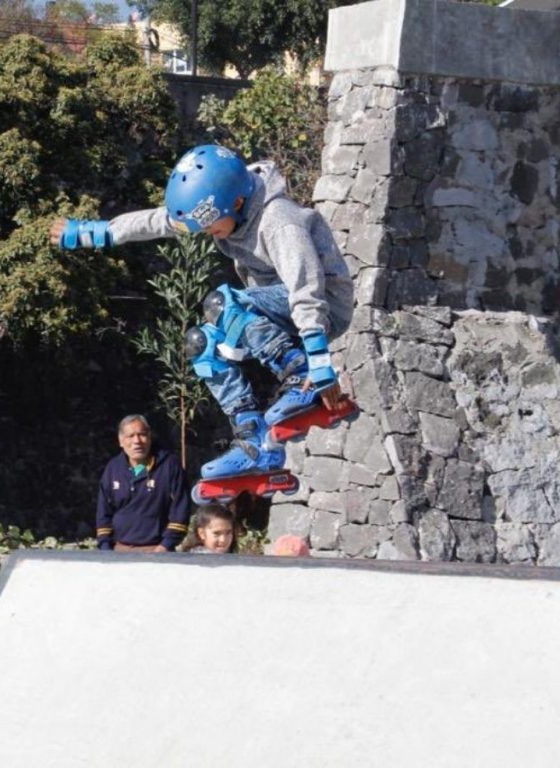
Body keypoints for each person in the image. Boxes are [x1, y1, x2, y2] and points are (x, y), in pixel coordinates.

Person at [51, 145, 354, 481]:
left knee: (222, 303)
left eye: (209, 226)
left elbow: (305, 289)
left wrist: (318, 363)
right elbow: (157, 221)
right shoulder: (220, 208)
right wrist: (98, 232)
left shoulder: (278, 221)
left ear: (236, 203)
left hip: (322, 307)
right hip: (276, 315)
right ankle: (254, 443)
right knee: (201, 343)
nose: (207, 232)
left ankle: (297, 372)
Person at [96, 414, 190, 552]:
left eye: (142, 435)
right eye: (130, 436)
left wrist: (165, 546)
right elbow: (103, 512)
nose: (137, 441)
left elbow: (181, 510)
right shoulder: (113, 468)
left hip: (157, 550)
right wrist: (105, 547)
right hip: (119, 549)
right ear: (121, 441)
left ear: (150, 437)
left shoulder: (169, 466)